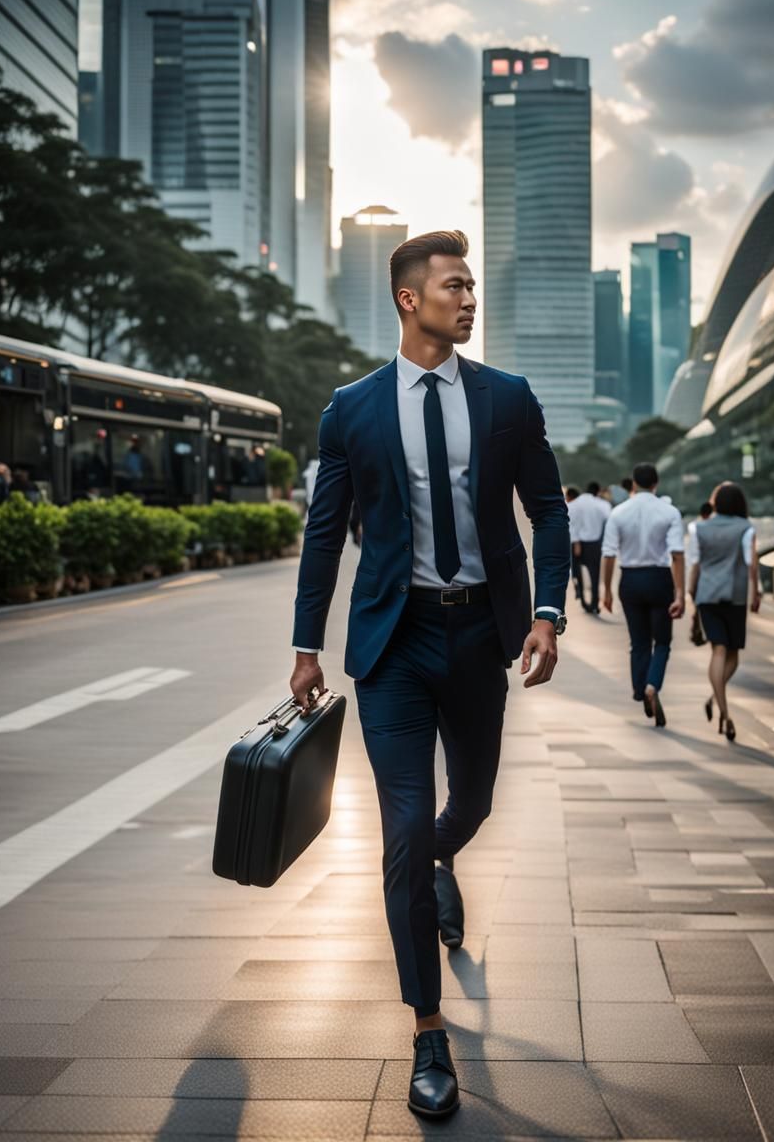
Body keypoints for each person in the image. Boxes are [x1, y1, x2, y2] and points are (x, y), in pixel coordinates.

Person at [290, 229, 569, 1119]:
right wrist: (306, 645)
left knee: (471, 805)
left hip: (479, 637)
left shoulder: (508, 400)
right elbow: (325, 534)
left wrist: (549, 613)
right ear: (411, 300)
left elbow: (550, 511)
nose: (469, 298)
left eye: (472, 286)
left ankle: (439, 860)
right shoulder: (353, 408)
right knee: (403, 829)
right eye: (455, 286)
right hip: (395, 645)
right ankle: (427, 1030)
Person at [601, 462, 685, 727]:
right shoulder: (670, 512)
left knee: (638, 642)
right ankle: (652, 685)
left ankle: (640, 690)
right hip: (660, 580)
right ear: (656, 484)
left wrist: (606, 590)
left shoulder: (618, 512)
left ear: (633, 484)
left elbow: (609, 553)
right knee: (661, 642)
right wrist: (680, 593)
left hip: (631, 579)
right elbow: (677, 554)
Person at [688, 482, 761, 742]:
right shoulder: (746, 529)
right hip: (736, 597)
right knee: (732, 654)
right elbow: (751, 565)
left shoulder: (699, 528)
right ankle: (724, 712)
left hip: (707, 596)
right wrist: (757, 593)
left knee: (719, 650)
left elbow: (695, 564)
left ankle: (716, 699)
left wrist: (691, 593)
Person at [568, 481, 611, 613]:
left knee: (576, 572)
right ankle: (594, 603)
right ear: (597, 492)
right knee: (594, 575)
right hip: (594, 544)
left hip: (576, 543)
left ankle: (581, 596)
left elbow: (571, 524)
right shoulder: (602, 504)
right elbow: (609, 520)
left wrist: (576, 542)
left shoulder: (573, 504)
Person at [565, 486, 584, 606]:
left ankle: (579, 587)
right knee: (580, 568)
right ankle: (580, 589)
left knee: (575, 568)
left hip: (573, 541)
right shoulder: (582, 506)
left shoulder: (570, 507)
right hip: (584, 541)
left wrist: (576, 542)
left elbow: (573, 526)